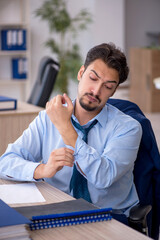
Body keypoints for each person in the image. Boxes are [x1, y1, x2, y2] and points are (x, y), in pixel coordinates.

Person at [0, 43, 142, 225]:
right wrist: (41, 169)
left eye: (107, 86)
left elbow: (103, 178)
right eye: (93, 78)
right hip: (58, 211)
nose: (96, 91)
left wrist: (65, 128)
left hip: (110, 216)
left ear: (114, 91)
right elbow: (5, 162)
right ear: (81, 73)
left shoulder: (128, 128)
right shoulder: (47, 118)